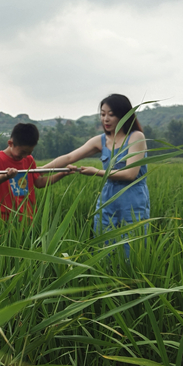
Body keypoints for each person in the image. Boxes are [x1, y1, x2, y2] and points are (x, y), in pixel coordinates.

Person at [43, 94, 150, 257]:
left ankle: (130, 281)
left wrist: (96, 172)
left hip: (132, 198)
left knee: (132, 248)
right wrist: (39, 169)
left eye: (111, 114)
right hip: (108, 198)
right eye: (102, 114)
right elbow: (70, 157)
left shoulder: (136, 137)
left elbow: (130, 174)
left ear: (124, 115)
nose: (105, 119)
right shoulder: (101, 140)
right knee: (103, 245)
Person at [0, 123, 74, 229]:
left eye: (29, 152)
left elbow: (39, 182)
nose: (25, 156)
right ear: (10, 143)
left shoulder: (29, 159)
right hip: (3, 218)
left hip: (27, 217)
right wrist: (6, 176)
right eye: (22, 152)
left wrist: (62, 174)